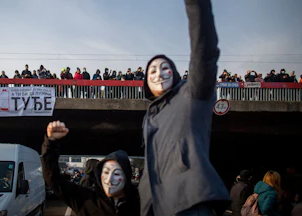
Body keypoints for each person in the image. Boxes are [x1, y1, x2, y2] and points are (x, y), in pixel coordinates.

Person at [139, 0, 231, 215]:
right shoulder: (150, 117)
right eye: (152, 71)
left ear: (176, 73)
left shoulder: (192, 95)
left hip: (190, 204)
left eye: (165, 68)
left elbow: (204, 52)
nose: (158, 74)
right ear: (146, 83)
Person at [41, 121, 140, 216]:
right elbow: (53, 178)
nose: (109, 180)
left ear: (126, 176)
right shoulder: (87, 201)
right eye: (106, 172)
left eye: (116, 174)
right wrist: (51, 143)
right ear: (100, 175)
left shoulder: (141, 204)